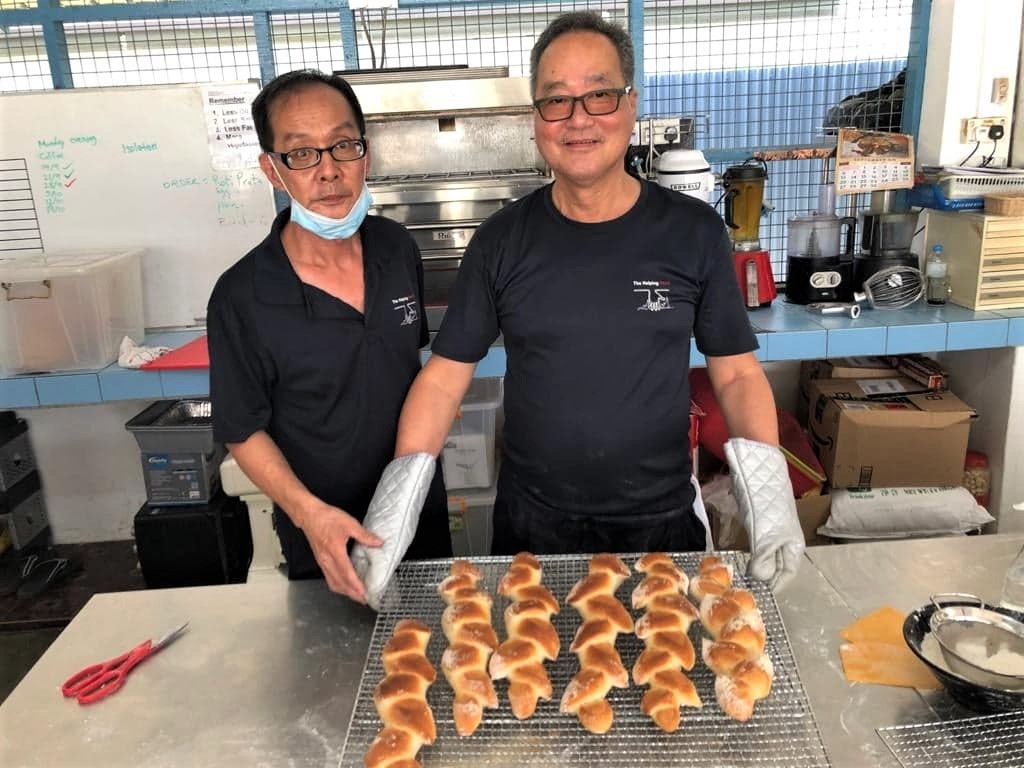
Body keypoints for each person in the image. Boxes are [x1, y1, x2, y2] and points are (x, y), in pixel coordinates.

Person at [379, 11, 804, 590]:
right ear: (536, 119)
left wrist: (773, 504)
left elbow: (735, 377)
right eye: (556, 101)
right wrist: (394, 509)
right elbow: (443, 379)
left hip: (662, 524)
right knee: (532, 678)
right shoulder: (501, 241)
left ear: (630, 106)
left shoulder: (692, 232)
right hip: (533, 530)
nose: (578, 119)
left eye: (599, 95)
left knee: (671, 679)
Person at [207, 69, 451, 603]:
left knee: (433, 665)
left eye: (343, 145)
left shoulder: (396, 248)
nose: (329, 171)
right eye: (302, 154)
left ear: (365, 152)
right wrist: (308, 515)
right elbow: (242, 429)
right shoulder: (241, 296)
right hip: (323, 537)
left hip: (417, 515)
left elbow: (412, 371)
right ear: (273, 170)